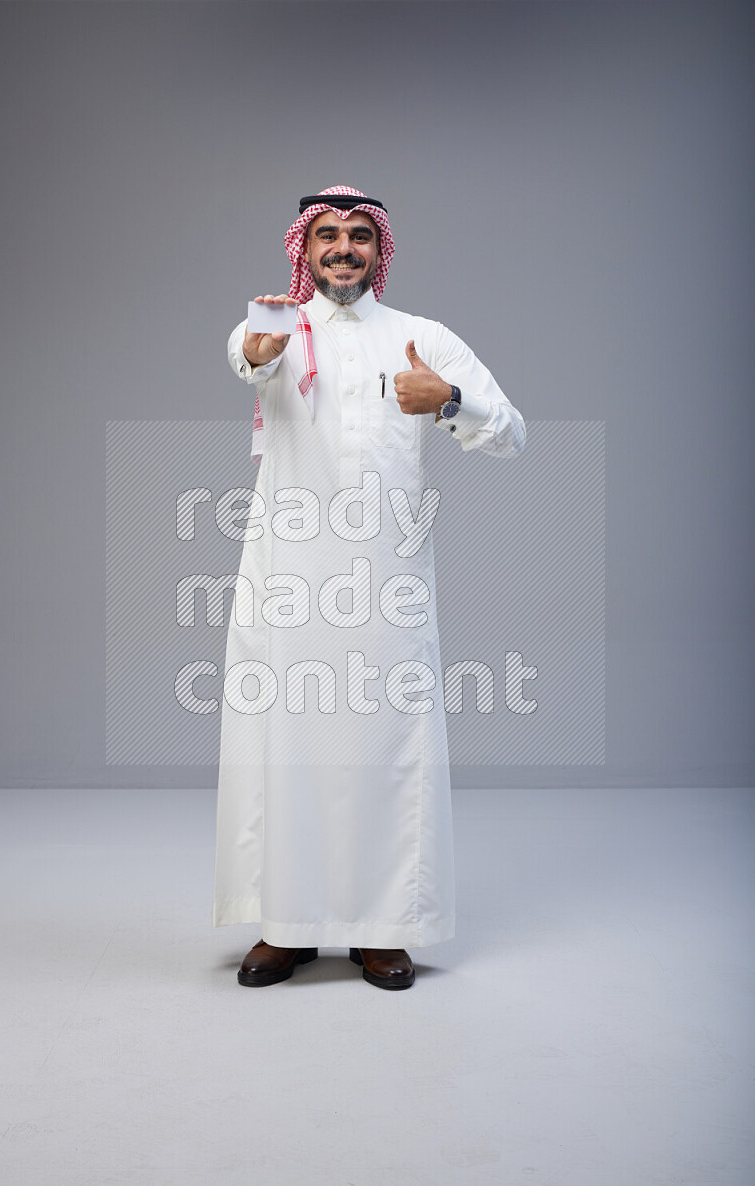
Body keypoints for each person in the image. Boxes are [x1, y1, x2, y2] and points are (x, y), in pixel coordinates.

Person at [213, 185, 526, 990]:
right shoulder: (279, 321)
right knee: (287, 745)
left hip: (387, 579)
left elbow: (512, 433)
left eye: (359, 236)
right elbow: (246, 359)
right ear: (305, 249)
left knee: (386, 749)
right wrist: (261, 349)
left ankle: (383, 929)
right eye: (327, 236)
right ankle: (286, 926)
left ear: (379, 251)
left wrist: (446, 399)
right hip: (290, 577)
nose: (343, 248)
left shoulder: (423, 338)